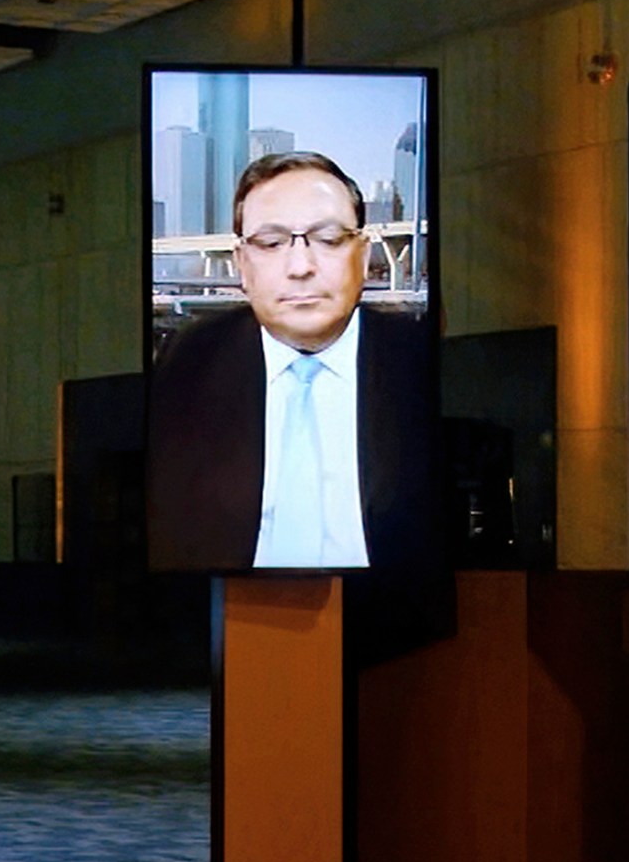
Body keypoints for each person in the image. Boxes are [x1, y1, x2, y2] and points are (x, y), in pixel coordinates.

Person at [145, 150, 436, 572]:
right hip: (231, 618)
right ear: (242, 263)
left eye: (329, 239)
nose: (301, 266)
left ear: (362, 254)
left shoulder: (419, 361)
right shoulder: (189, 364)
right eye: (271, 243)